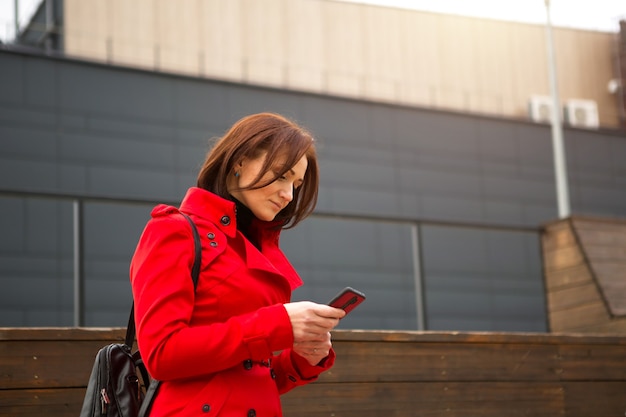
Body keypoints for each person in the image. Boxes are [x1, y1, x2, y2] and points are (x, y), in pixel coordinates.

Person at [129, 112, 346, 417]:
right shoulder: (173, 231)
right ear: (239, 162)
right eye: (283, 176)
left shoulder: (257, 247)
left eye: (296, 184)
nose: (289, 194)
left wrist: (300, 358)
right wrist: (279, 324)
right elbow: (162, 354)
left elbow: (249, 374)